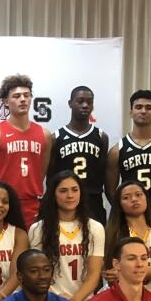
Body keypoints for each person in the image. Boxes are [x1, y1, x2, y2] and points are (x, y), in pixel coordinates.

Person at [29, 171, 105, 301]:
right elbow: (37, 273)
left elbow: (94, 275)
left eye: (75, 190)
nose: (70, 195)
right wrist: (57, 299)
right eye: (63, 191)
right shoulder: (38, 229)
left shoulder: (95, 228)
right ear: (53, 194)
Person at [0, 74, 51, 224]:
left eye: (26, 95)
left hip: (32, 204)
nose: (22, 99)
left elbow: (41, 173)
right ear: (6, 102)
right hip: (2, 203)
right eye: (16, 96)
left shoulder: (44, 135)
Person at [106, 89, 151, 216]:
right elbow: (110, 190)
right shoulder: (117, 150)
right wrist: (124, 209)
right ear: (131, 112)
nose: (143, 111)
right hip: (129, 213)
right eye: (138, 107)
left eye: (148, 107)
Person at [103, 180, 151, 300]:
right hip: (122, 298)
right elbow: (110, 270)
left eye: (139, 194)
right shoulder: (111, 232)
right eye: (126, 197)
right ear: (119, 204)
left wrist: (129, 273)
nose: (134, 199)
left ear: (146, 198)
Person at [48, 86, 109, 221]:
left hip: (93, 200)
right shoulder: (56, 137)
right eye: (80, 101)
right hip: (66, 201)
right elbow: (51, 177)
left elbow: (102, 173)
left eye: (89, 102)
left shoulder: (101, 137)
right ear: (70, 103)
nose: (85, 105)